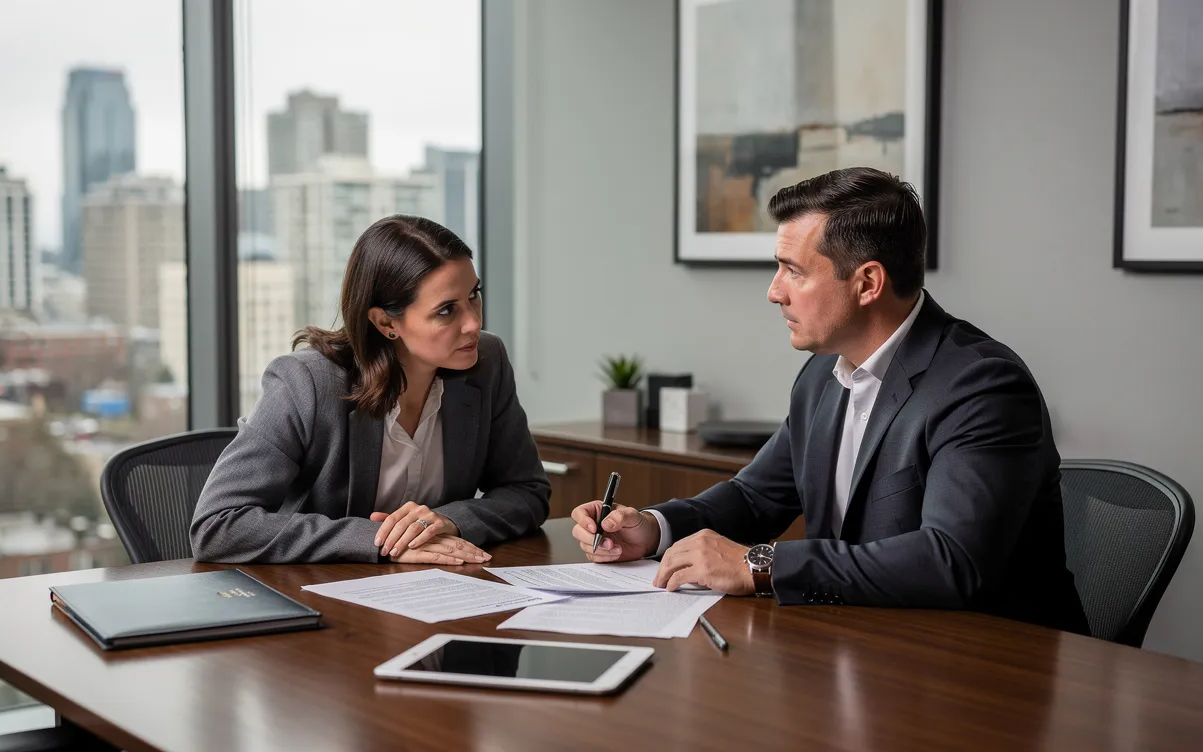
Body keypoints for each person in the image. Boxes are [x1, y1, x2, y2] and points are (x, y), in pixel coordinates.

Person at [571, 167, 1088, 634]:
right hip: (863, 645)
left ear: (867, 282)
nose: (775, 292)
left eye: (793, 270)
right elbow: (757, 498)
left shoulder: (983, 387)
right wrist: (654, 530)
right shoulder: (823, 373)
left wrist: (760, 565)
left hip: (988, 669)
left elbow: (950, 561)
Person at [192, 215, 549, 565]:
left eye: (474, 295)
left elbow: (526, 491)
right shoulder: (306, 383)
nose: (473, 322)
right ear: (385, 322)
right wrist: (378, 541)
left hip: (436, 590)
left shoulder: (487, 363)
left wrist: (452, 521)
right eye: (446, 311)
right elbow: (218, 525)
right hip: (319, 595)